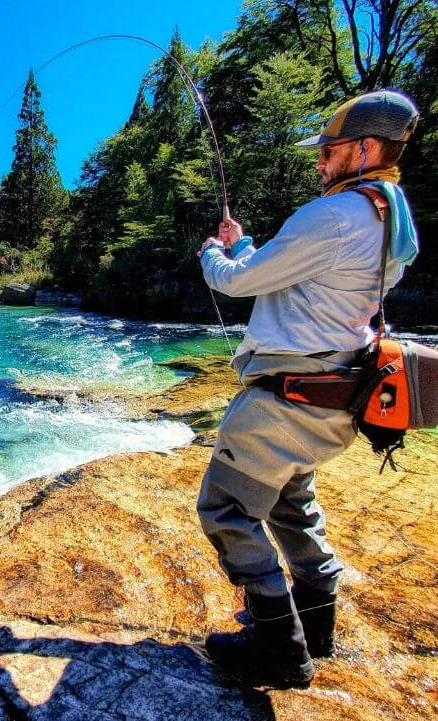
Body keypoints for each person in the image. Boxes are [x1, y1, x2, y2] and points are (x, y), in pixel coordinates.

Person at [195, 90, 420, 688]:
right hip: (338, 397)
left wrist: (215, 255)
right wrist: (245, 243)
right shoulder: (387, 217)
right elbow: (297, 276)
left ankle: (280, 651)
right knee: (293, 501)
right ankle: (317, 627)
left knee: (228, 509)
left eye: (329, 149)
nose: (319, 159)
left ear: (365, 149)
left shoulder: (331, 215)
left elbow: (240, 283)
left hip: (286, 401)